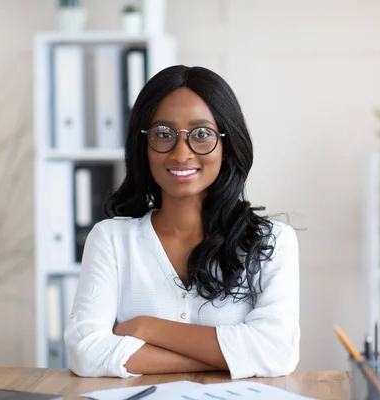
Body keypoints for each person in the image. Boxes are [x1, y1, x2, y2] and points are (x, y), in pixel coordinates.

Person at [64, 65, 300, 379]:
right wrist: (231, 357)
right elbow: (86, 353)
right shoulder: (110, 240)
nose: (181, 153)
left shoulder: (271, 241)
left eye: (202, 134)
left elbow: (277, 351)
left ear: (226, 144)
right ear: (143, 145)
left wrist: (148, 328)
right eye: (163, 134)